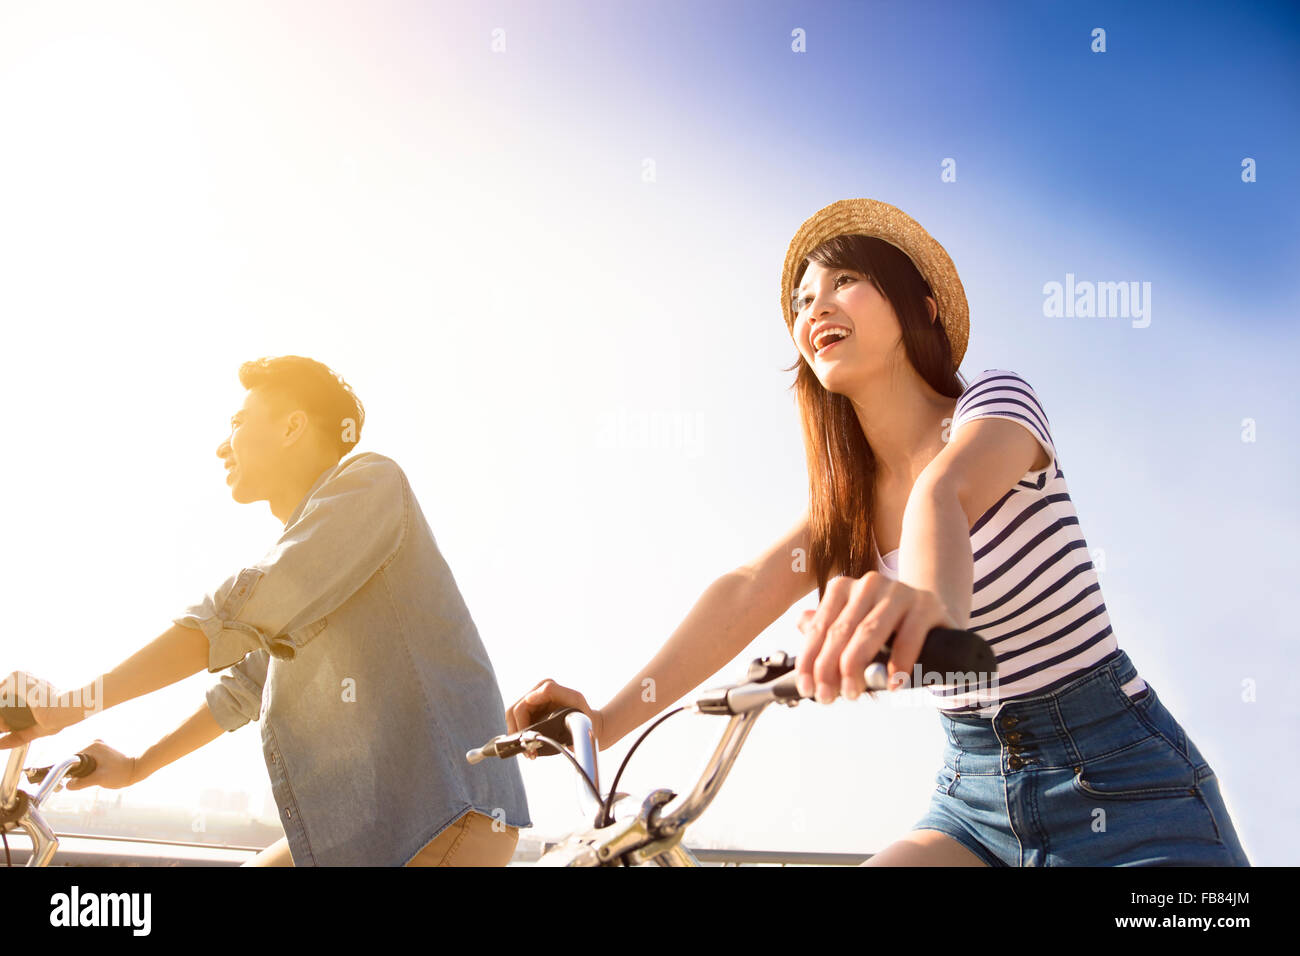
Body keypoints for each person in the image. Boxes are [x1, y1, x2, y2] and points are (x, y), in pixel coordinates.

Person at [506, 198, 1249, 867]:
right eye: (802, 299)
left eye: (842, 281)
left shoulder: (995, 405)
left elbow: (944, 493)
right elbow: (741, 592)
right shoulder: (845, 517)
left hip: (1126, 781)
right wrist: (599, 725)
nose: (814, 306)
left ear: (920, 306)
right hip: (974, 797)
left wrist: (926, 608)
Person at [0, 355, 529, 866]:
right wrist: (137, 767)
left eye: (238, 422)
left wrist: (71, 704)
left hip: (440, 818)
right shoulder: (323, 564)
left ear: (293, 427)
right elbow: (243, 688)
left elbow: (241, 611)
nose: (221, 447)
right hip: (384, 830)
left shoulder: (372, 484)